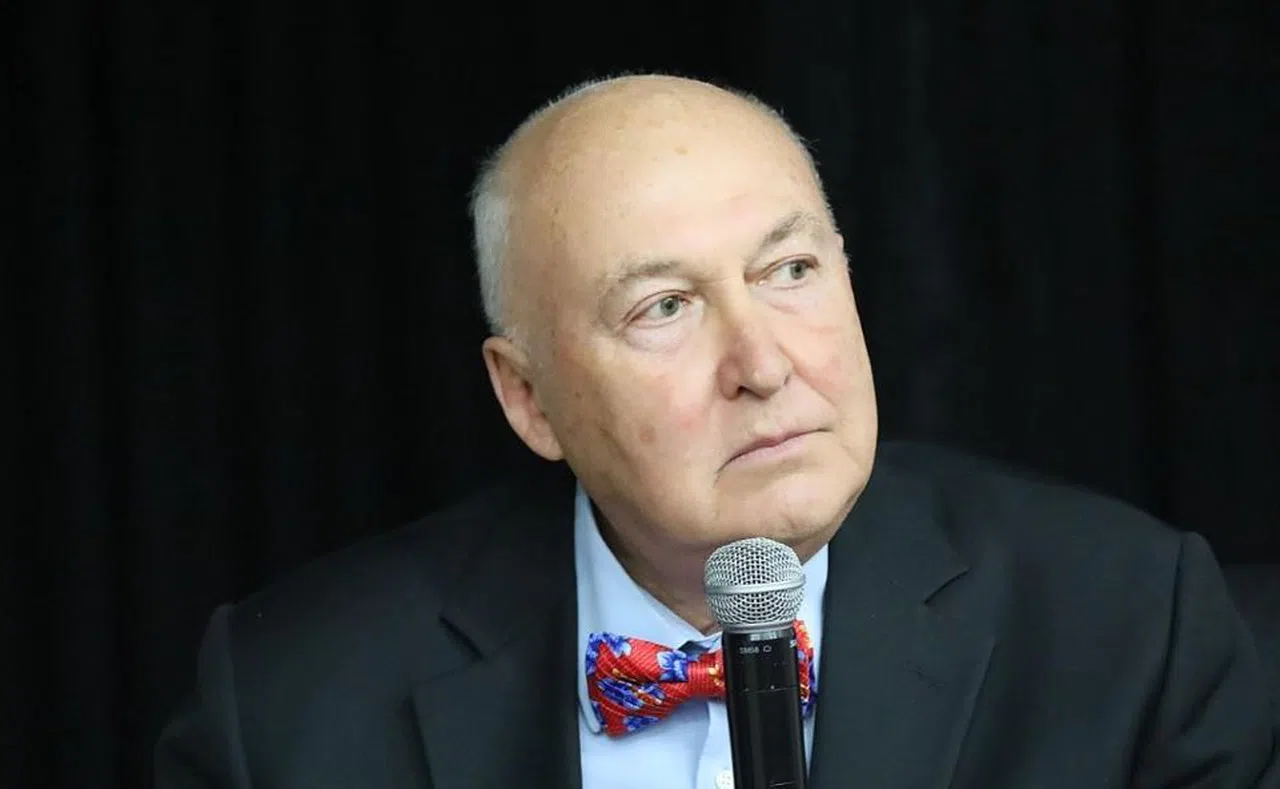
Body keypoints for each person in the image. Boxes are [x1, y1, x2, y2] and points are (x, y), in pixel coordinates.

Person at [155, 74, 1279, 788]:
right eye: (664, 308)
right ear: (528, 399)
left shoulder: (1132, 627)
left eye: (788, 271)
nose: (763, 364)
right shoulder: (290, 710)